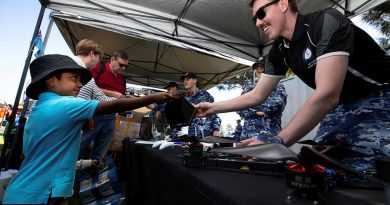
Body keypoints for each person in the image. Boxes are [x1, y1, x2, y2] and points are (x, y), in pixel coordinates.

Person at [196, 0, 390, 169]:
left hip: (379, 96)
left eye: (261, 13)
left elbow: (327, 94)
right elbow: (257, 95)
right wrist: (212, 108)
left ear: (283, 4)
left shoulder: (326, 21)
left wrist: (275, 142)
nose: (258, 22)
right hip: (342, 105)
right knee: (321, 165)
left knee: (368, 170)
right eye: (254, 19)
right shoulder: (279, 50)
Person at [2, 54, 173, 204]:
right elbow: (113, 105)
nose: (80, 84)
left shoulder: (40, 108)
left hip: (25, 191)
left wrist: (84, 163)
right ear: (51, 81)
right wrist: (155, 97)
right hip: (42, 195)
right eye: (74, 78)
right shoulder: (64, 104)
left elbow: (48, 157)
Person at [80, 49, 129, 160]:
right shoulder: (98, 68)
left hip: (111, 117)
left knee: (101, 151)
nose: (123, 68)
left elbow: (120, 97)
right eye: (121, 65)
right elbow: (86, 84)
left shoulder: (122, 80)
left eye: (126, 66)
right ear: (112, 59)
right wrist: (113, 93)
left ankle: (91, 175)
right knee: (80, 146)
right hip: (94, 113)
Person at [237, 56, 287, 142]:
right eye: (257, 67)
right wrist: (256, 112)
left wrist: (250, 108)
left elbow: (277, 105)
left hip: (269, 136)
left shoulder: (277, 86)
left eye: (262, 67)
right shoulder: (248, 88)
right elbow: (239, 108)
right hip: (247, 135)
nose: (259, 69)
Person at [182, 72, 220, 138]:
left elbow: (214, 113)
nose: (185, 81)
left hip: (206, 136)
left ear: (195, 80)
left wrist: (216, 131)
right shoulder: (184, 99)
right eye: (184, 80)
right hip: (191, 136)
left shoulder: (205, 95)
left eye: (187, 79)